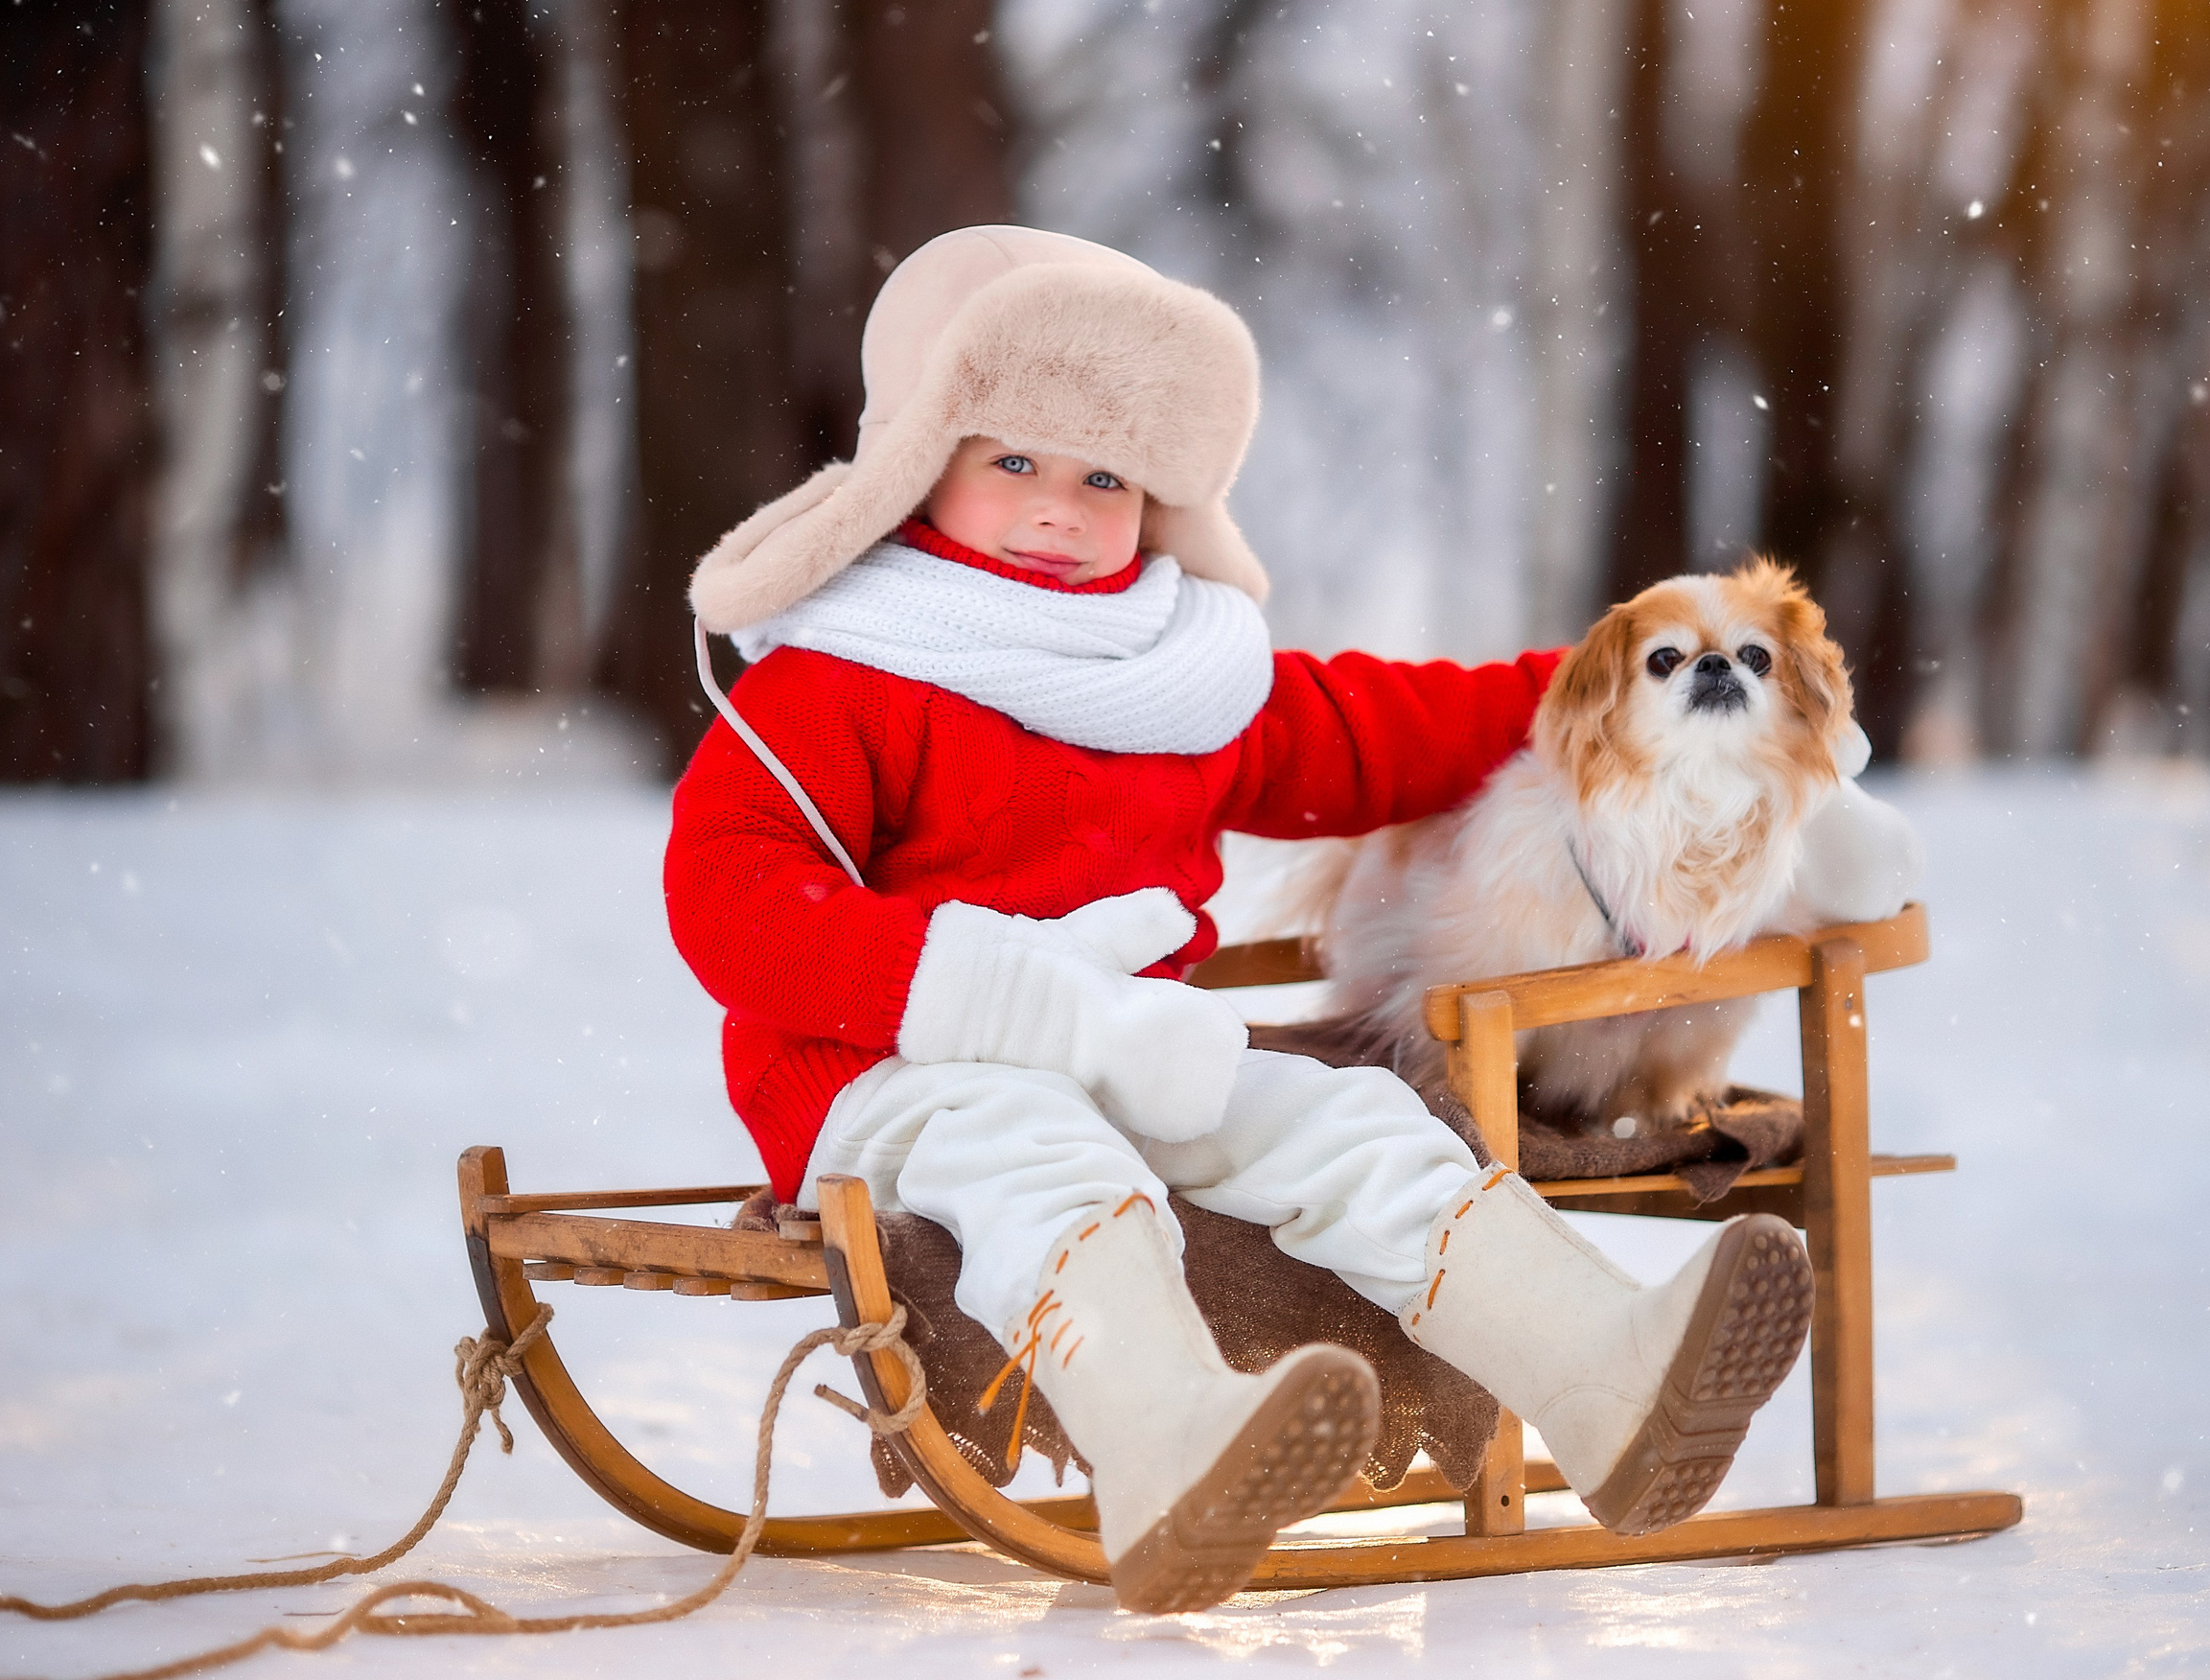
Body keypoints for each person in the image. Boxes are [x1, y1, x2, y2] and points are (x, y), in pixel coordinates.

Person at [664, 226, 1881, 1613]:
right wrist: (995, 992)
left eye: (1105, 476)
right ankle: (1166, 1447)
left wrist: (1632, 681)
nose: (1061, 508)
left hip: (1133, 1051)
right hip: (886, 1074)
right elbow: (733, 901)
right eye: (1014, 461)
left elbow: (1383, 732)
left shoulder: (1169, 677)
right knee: (1036, 1147)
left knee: (1353, 1124)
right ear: (917, 458)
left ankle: (1608, 1377)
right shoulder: (849, 673)